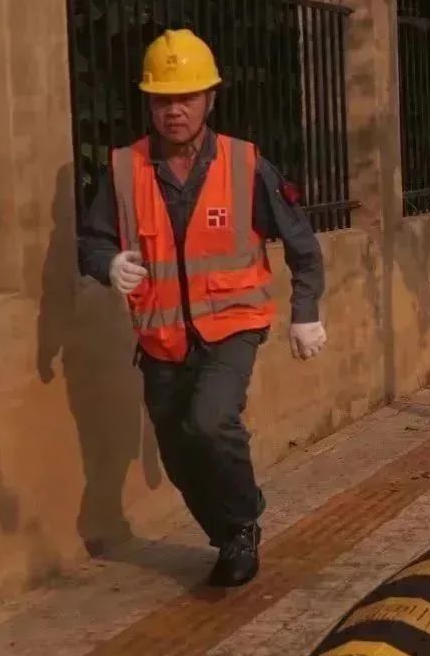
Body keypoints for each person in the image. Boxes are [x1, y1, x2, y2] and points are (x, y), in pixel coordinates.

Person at [78, 29, 327, 588]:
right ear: (149, 103)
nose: (174, 110)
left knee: (210, 422)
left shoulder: (246, 165)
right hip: (159, 339)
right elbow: (90, 240)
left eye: (186, 97)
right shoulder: (123, 170)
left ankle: (242, 524)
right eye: (163, 99)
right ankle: (228, 530)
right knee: (179, 453)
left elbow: (302, 245)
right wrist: (107, 263)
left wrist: (306, 311)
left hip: (232, 327)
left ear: (210, 99)